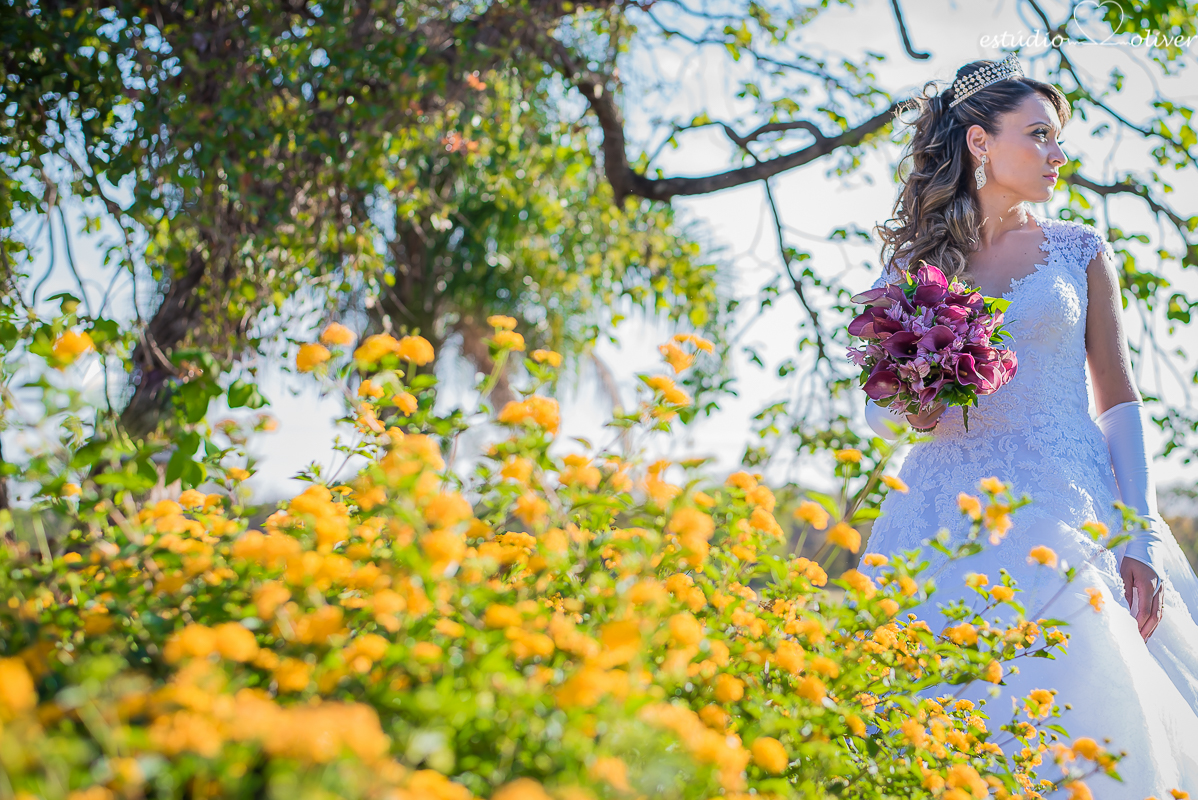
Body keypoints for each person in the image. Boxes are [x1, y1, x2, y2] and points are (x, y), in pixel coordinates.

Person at [860, 53, 1198, 793]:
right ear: (980, 142)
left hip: (1068, 507)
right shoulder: (912, 269)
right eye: (1038, 134)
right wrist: (919, 388)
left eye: (1060, 138)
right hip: (941, 517)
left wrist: (1136, 532)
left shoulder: (1080, 251)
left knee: (1080, 717)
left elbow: (1120, 399)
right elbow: (887, 413)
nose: (1057, 154)